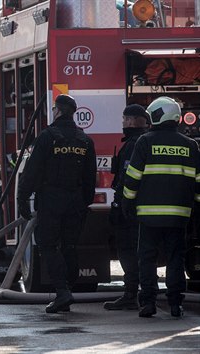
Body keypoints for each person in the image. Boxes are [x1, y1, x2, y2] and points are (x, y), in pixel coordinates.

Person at [17, 94, 97, 313]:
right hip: (75, 201)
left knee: (48, 245)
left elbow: (32, 172)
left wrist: (22, 198)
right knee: (70, 245)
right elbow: (91, 177)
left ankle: (62, 292)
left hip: (51, 200)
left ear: (58, 111)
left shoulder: (46, 137)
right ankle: (68, 289)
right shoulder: (85, 140)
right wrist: (84, 202)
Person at [121, 96, 200, 318]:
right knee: (176, 258)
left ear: (158, 115)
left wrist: (127, 203)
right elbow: (199, 182)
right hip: (179, 216)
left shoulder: (145, 142)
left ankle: (148, 303)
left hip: (148, 216)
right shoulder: (190, 145)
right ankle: (176, 304)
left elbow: (133, 178)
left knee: (147, 258)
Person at [104, 104, 150, 311]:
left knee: (128, 250)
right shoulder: (147, 141)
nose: (123, 124)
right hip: (146, 207)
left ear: (132, 121)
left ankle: (131, 293)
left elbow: (127, 177)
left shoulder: (134, 144)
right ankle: (143, 293)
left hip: (131, 208)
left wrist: (122, 205)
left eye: (124, 120)